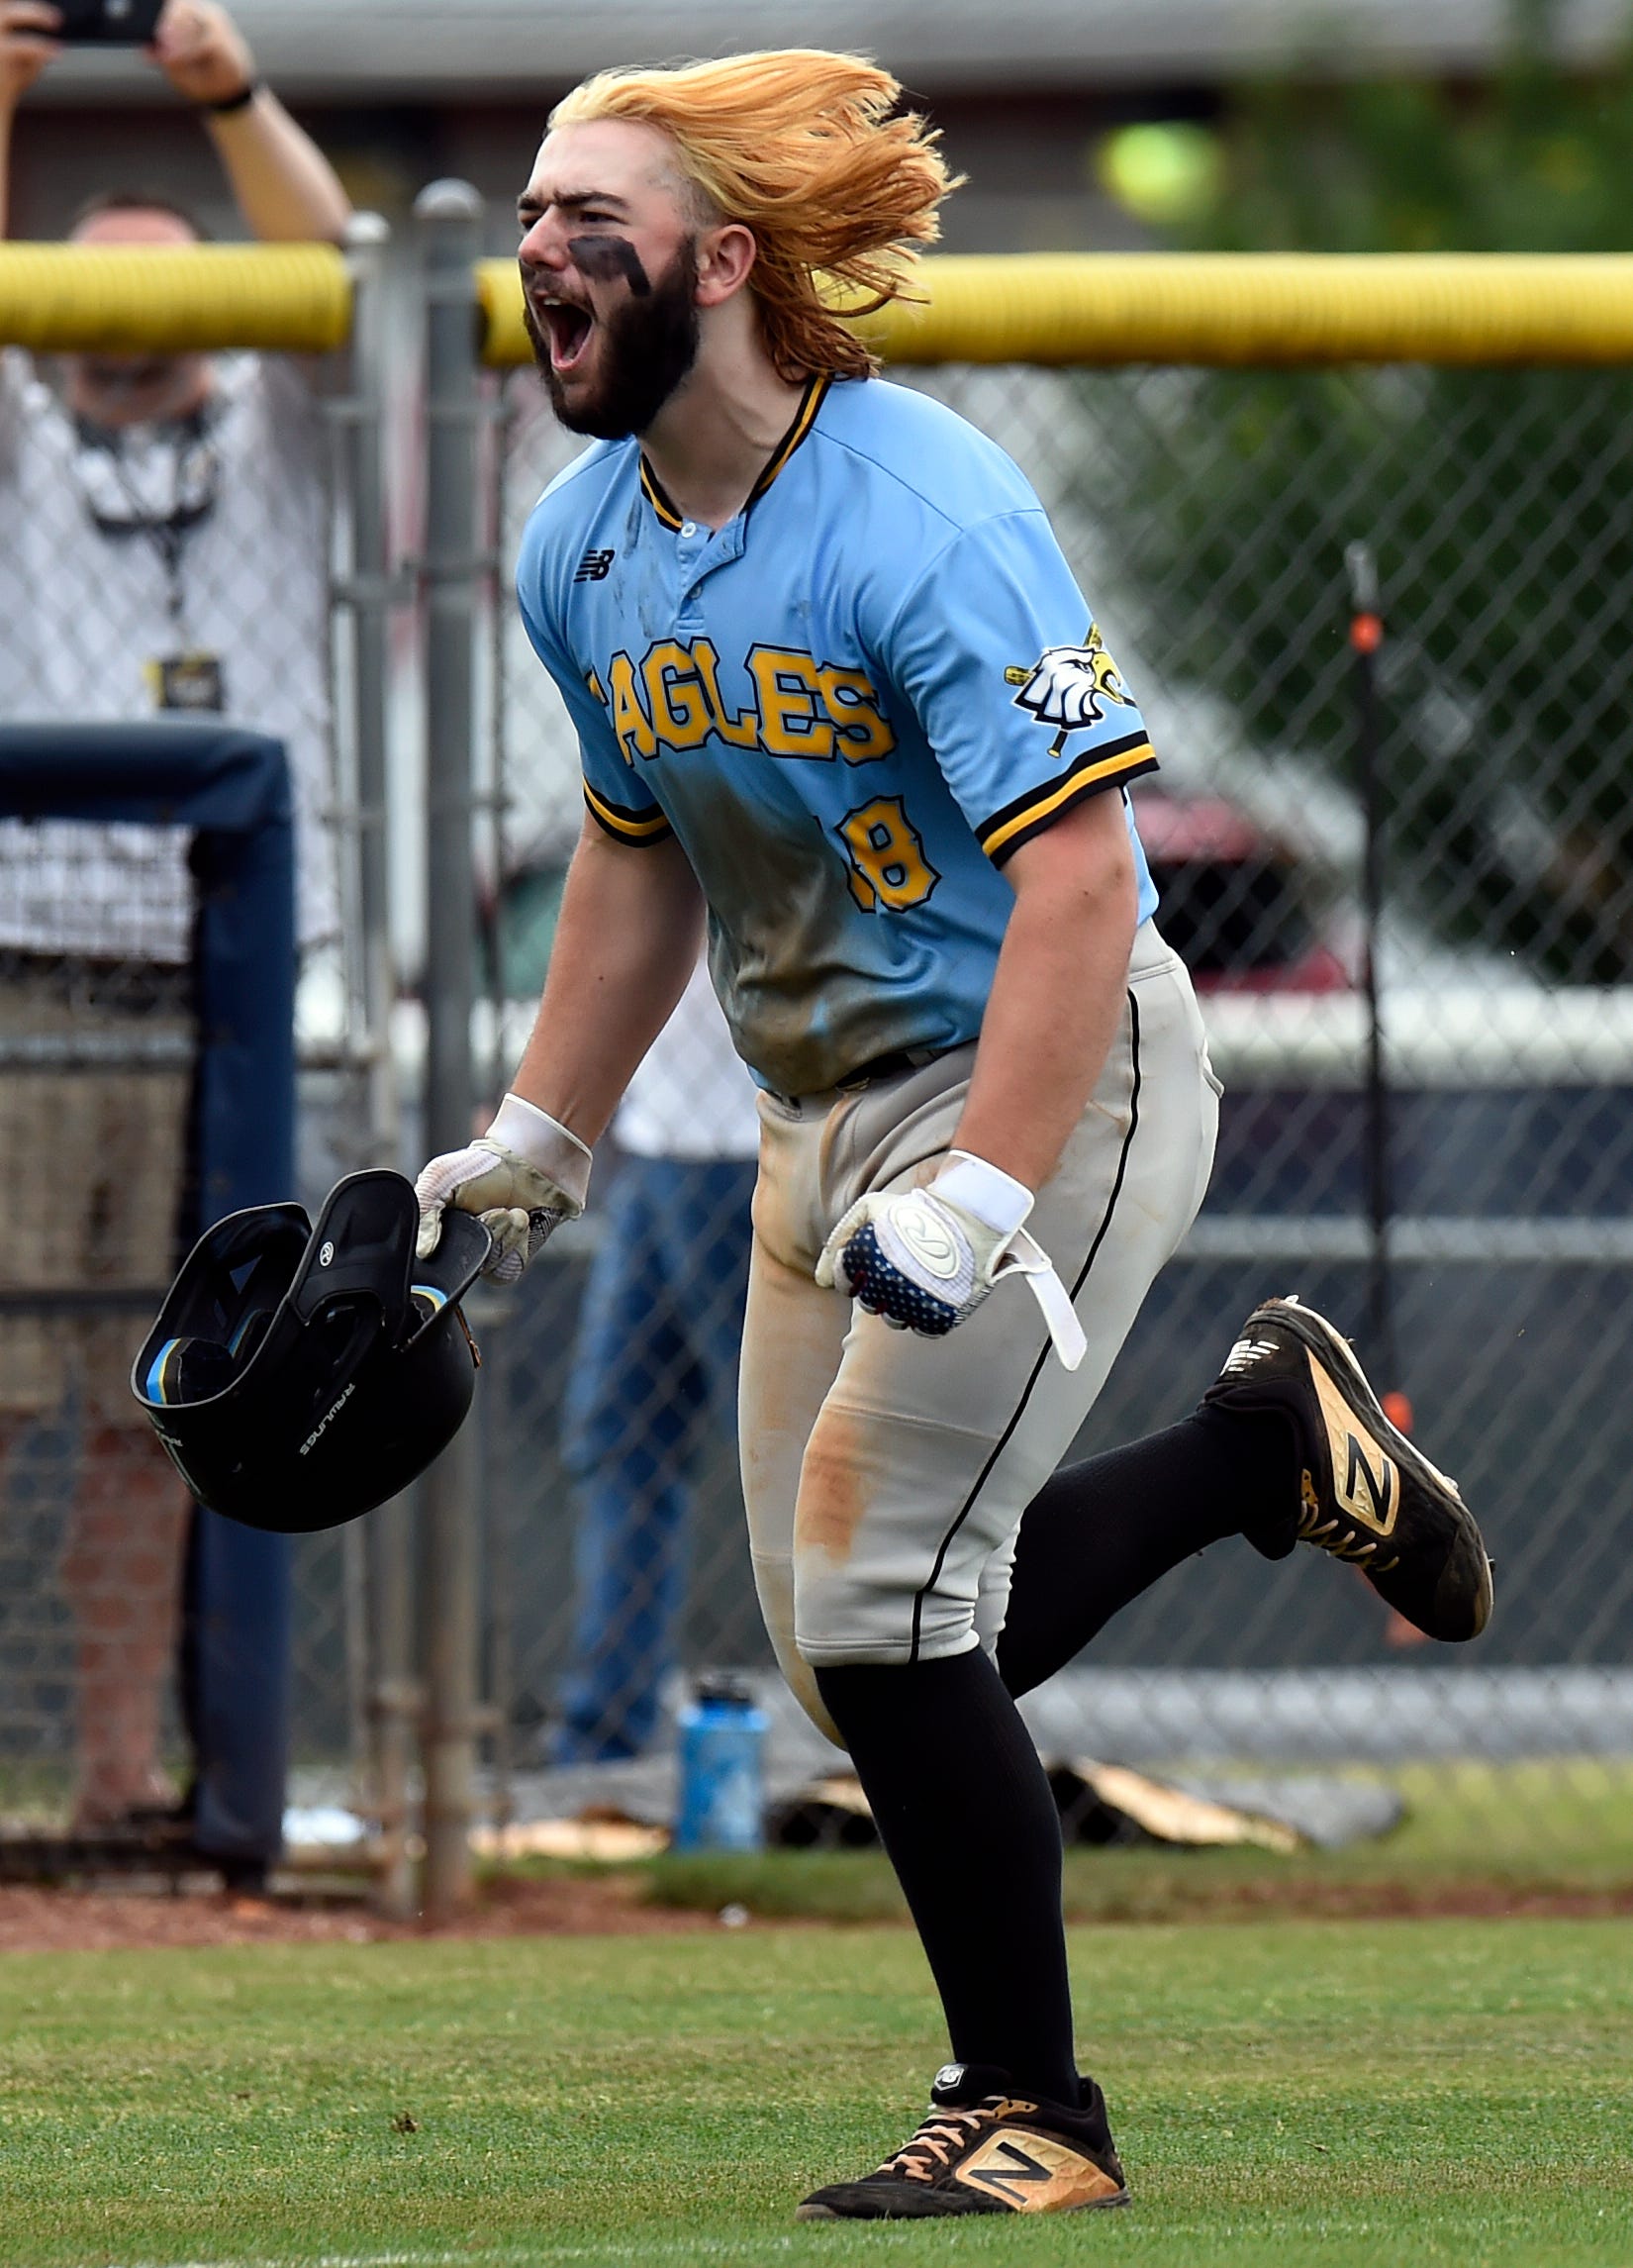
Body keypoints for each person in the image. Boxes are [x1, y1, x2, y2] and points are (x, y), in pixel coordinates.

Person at [415, 49, 1492, 2221]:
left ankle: (1034, 2108)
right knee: (859, 1651)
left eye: (585, 214)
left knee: (895, 1597)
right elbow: (637, 855)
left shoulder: (920, 506)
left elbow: (1087, 886)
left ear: (724, 260)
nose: (538, 249)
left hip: (1050, 1067)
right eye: (529, 210)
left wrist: (990, 1187)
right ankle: (1261, 1453)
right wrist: (541, 1126)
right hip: (825, 1103)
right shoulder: (586, 542)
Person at [0, 0, 350, 1844]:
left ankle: (122, 1780)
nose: (122, 310)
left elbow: (334, 284)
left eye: (165, 276)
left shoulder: (280, 453)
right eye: (80, 281)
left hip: (217, 987)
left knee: (168, 1416)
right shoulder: (23, 453)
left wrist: (221, 80)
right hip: (21, 977)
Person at [553, 953, 759, 1763]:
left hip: (747, 1145)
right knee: (618, 1435)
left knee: (791, 1456)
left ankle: (887, 1715)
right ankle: (602, 1729)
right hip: (659, 1142)